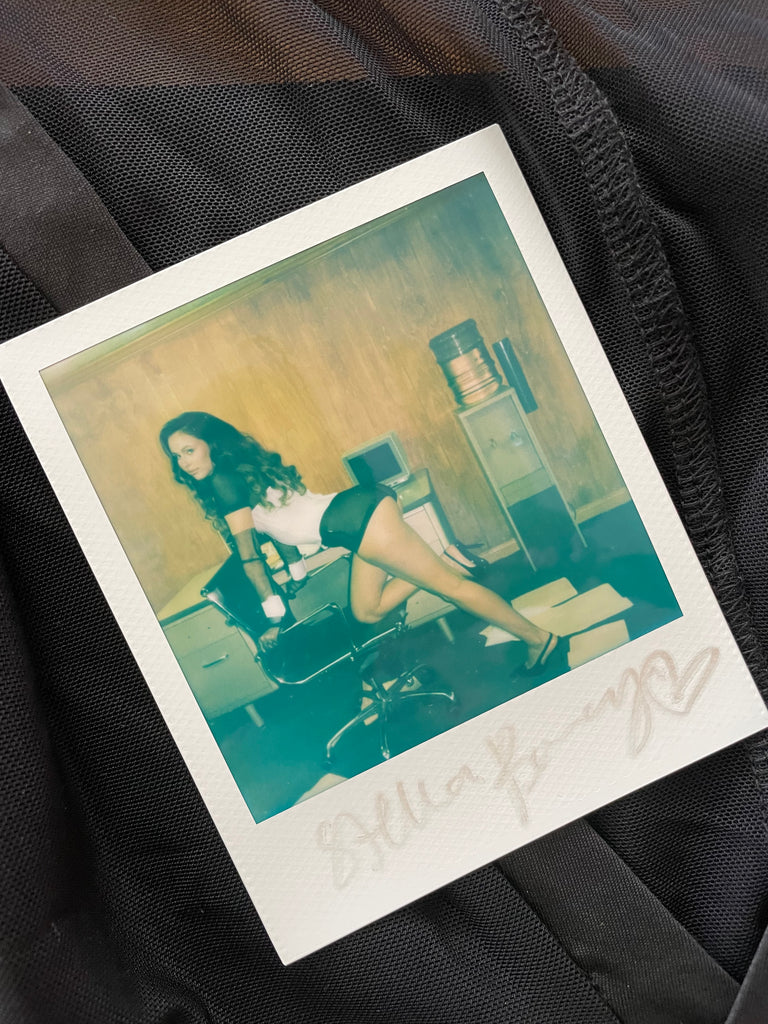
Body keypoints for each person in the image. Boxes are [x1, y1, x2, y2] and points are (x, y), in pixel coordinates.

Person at [158, 411, 564, 671]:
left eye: (189, 450)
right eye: (177, 456)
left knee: (452, 590)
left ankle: (540, 640)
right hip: (357, 517)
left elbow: (250, 559)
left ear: (212, 445)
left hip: (359, 522)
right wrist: (297, 570)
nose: (184, 462)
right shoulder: (241, 473)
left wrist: (275, 617)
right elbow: (276, 530)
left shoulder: (224, 483)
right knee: (367, 610)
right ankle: (447, 559)